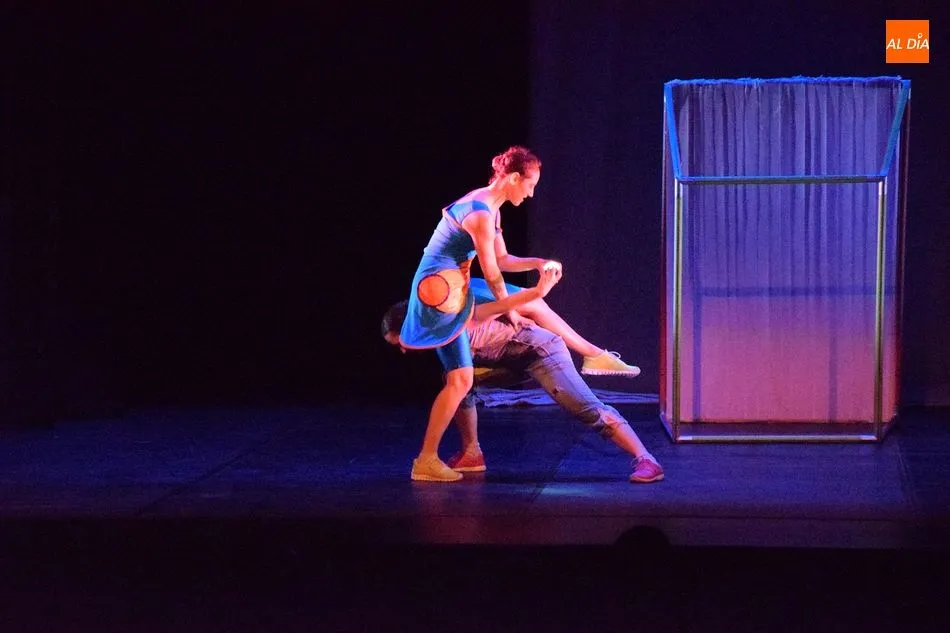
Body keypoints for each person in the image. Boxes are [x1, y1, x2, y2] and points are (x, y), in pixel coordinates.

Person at [398, 146, 641, 481]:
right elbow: (492, 273)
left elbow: (504, 260)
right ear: (513, 178)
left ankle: (593, 354)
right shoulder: (480, 212)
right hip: (441, 295)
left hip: (453, 287)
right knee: (460, 380)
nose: (531, 194)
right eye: (530, 185)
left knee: (462, 377)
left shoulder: (490, 209)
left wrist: (538, 263)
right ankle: (426, 459)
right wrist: (510, 310)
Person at [383, 269, 664, 484]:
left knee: (584, 408)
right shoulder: (437, 334)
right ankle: (471, 453)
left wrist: (588, 350)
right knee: (453, 381)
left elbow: (534, 303)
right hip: (504, 362)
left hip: (540, 351)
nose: (405, 351)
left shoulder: (459, 306)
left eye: (401, 343)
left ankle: (646, 459)